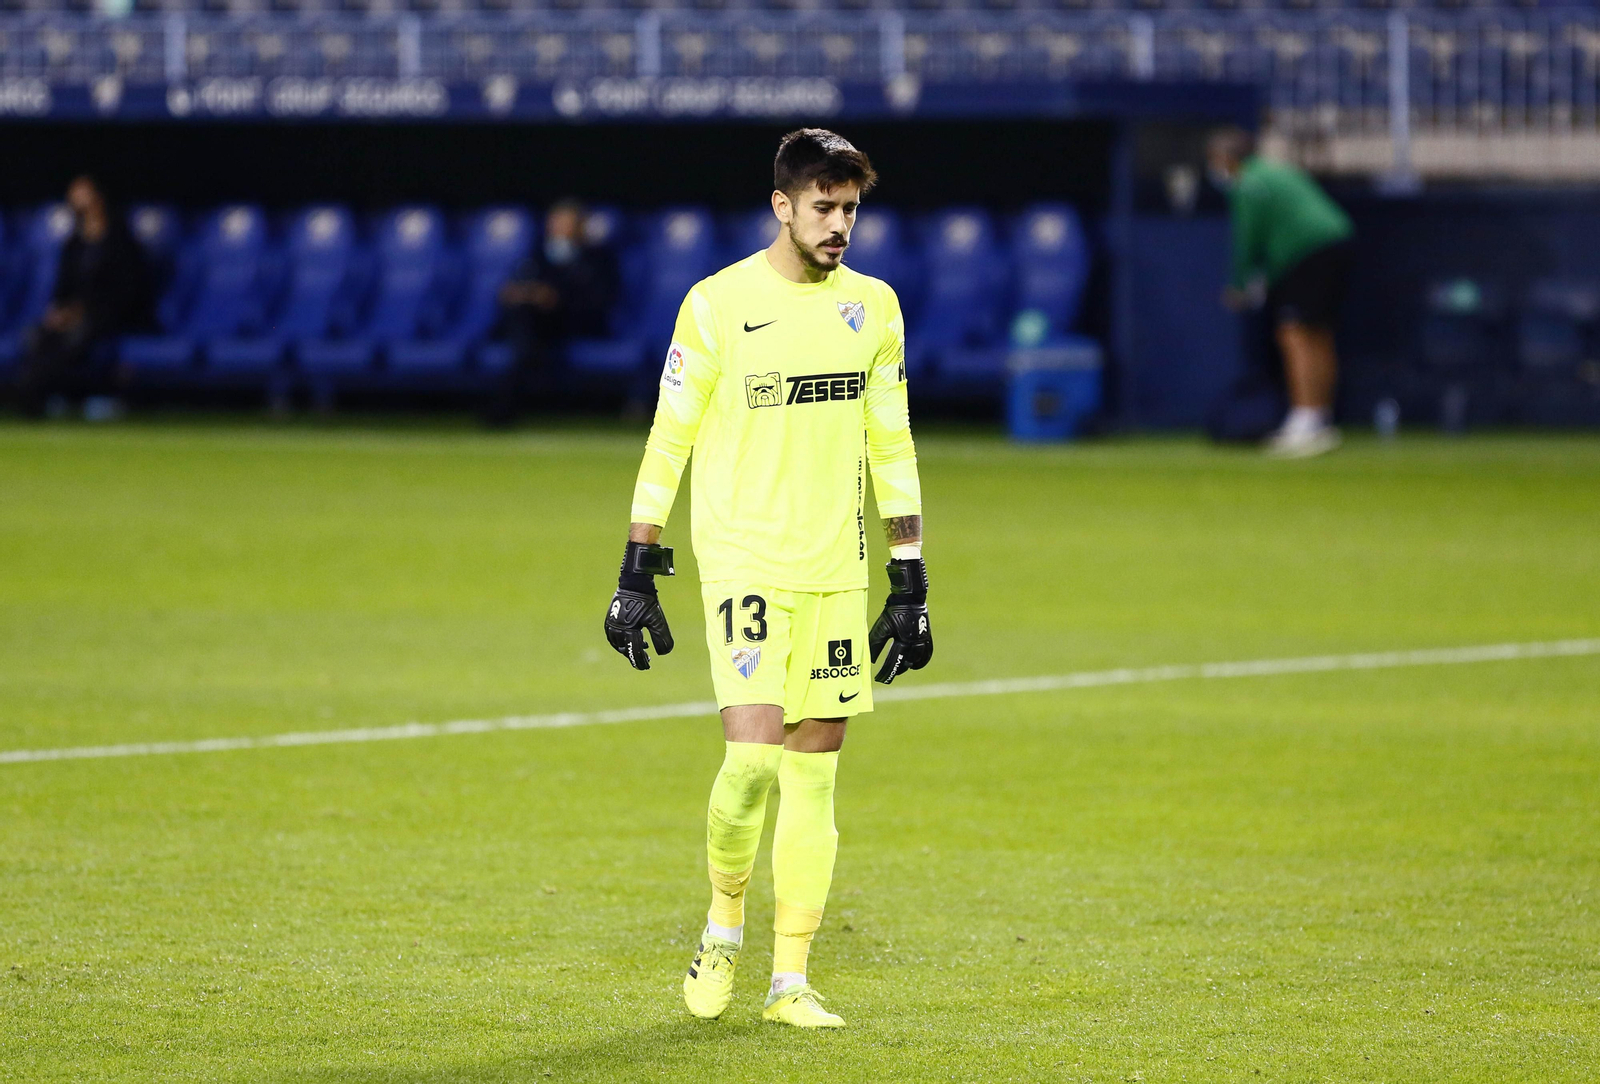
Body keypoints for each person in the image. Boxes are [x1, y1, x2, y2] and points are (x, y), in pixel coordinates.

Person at [602, 130, 932, 1028]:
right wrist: (639, 559)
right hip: (744, 557)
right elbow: (669, 437)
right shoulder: (716, 304)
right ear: (782, 206)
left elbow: (891, 443)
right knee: (750, 763)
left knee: (815, 777)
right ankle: (722, 931)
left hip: (836, 567)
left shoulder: (875, 307)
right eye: (823, 208)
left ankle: (791, 982)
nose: (840, 226)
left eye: (851, 210)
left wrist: (910, 577)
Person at [1207, 127, 1354, 458]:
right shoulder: (1276, 172)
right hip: (1336, 243)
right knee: (1317, 333)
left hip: (1308, 253)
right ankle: (1319, 419)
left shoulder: (1249, 182)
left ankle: (1305, 421)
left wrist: (1240, 284)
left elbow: (1248, 238)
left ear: (1225, 159)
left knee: (1294, 334)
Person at [15, 175, 151, 419]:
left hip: (107, 315)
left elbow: (127, 289)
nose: (76, 201)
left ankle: (37, 393)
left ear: (98, 198)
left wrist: (84, 310)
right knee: (38, 336)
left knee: (77, 337)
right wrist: (59, 311)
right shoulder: (74, 243)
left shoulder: (119, 240)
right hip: (74, 315)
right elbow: (63, 287)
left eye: (82, 194)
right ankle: (36, 394)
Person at [488, 199, 618, 423]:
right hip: (536, 324)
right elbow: (512, 287)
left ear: (580, 227)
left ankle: (504, 404)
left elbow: (599, 300)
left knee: (525, 330)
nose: (559, 229)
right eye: (555, 222)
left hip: (575, 323)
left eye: (566, 223)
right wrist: (525, 294)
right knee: (522, 316)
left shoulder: (598, 257)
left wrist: (556, 298)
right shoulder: (536, 254)